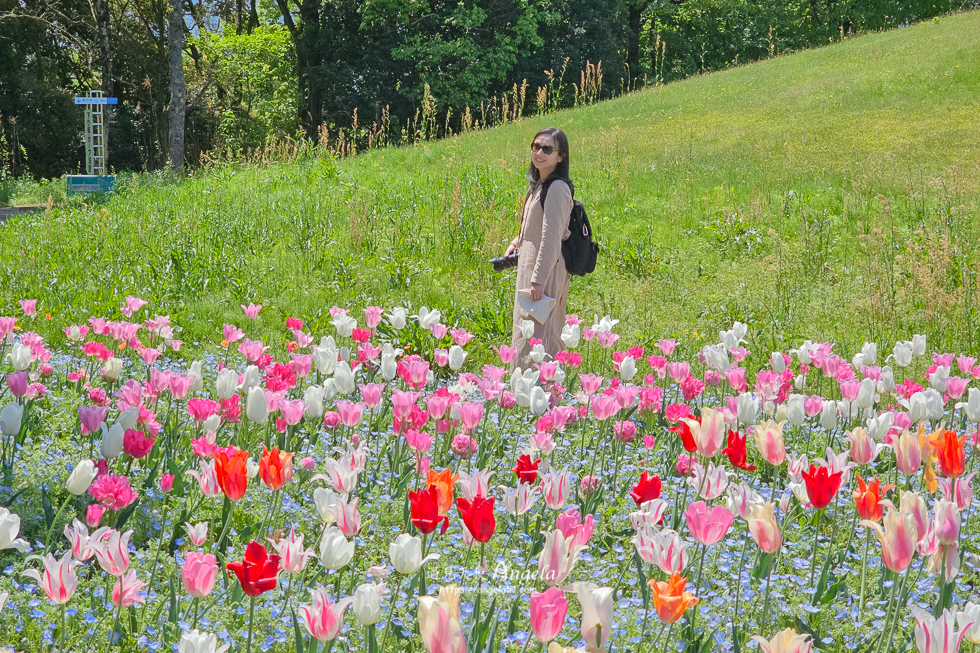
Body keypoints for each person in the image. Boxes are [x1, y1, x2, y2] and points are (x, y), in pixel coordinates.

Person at [504, 127, 573, 369]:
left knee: (539, 333)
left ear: (560, 157)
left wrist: (538, 280)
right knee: (526, 328)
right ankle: (524, 384)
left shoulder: (557, 189)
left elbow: (552, 237)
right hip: (530, 268)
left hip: (544, 270)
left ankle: (542, 387)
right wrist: (516, 242)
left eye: (547, 149)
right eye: (535, 147)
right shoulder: (539, 186)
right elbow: (535, 227)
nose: (539, 153)